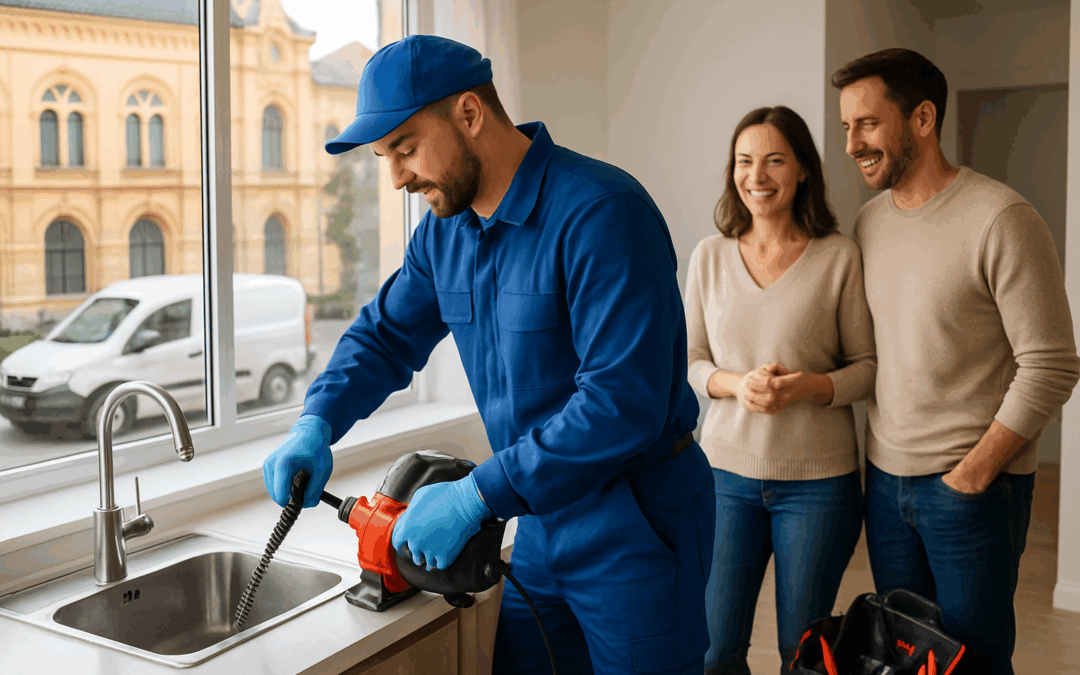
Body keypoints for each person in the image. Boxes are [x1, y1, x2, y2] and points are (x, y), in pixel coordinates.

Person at [261, 35, 715, 674]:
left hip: (633, 523)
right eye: (385, 157)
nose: (396, 178)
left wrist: (477, 496)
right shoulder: (444, 233)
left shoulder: (603, 215)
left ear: (470, 115)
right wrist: (316, 421)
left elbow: (620, 404)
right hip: (535, 521)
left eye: (406, 149)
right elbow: (384, 337)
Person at [832, 48, 1080, 675]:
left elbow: (1052, 365)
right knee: (904, 658)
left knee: (977, 660)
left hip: (972, 489)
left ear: (922, 118)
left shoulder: (1002, 218)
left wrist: (973, 474)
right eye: (846, 128)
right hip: (885, 484)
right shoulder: (867, 224)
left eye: (867, 123)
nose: (852, 143)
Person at [685, 106, 875, 674]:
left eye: (774, 160)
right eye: (745, 161)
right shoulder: (709, 257)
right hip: (724, 480)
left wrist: (808, 388)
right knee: (715, 650)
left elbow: (866, 368)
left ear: (803, 172)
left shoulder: (838, 256)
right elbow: (691, 362)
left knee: (803, 651)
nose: (757, 176)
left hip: (818, 488)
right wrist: (737, 384)